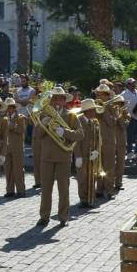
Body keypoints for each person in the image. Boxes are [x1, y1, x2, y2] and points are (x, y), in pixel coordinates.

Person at [34, 87, 84, 227]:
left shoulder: (71, 115)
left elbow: (80, 134)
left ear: (64, 100)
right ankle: (44, 216)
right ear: (51, 100)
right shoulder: (44, 115)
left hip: (63, 156)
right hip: (47, 157)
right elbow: (37, 136)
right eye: (55, 98)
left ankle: (63, 216)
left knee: (63, 188)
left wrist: (64, 132)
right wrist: (42, 125)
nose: (57, 101)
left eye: (60, 98)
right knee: (46, 189)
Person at [74, 99, 101, 209]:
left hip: (92, 154)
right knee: (82, 178)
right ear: (87, 111)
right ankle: (83, 199)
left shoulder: (94, 121)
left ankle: (91, 198)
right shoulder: (78, 120)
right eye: (93, 110)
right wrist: (78, 156)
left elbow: (98, 138)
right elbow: (76, 140)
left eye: (94, 110)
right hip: (82, 153)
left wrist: (96, 151)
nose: (95, 113)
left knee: (92, 177)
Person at [2, 98, 26, 198]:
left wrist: (10, 125)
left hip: (17, 147)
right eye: (6, 108)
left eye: (9, 108)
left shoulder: (20, 118)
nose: (7, 110)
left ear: (14, 108)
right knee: (8, 169)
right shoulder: (4, 118)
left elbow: (21, 130)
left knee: (18, 169)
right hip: (7, 147)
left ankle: (21, 190)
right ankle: (10, 190)